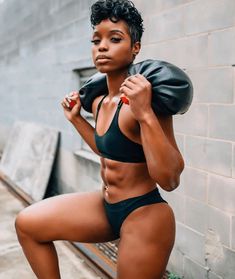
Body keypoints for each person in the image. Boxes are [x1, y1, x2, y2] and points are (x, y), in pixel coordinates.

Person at [15, 0, 185, 278]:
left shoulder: (147, 102)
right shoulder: (99, 102)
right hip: (106, 205)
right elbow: (110, 151)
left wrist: (145, 114)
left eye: (115, 39)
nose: (102, 46)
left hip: (144, 213)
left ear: (135, 47)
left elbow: (170, 179)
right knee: (28, 224)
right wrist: (76, 119)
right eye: (96, 40)